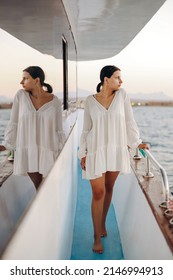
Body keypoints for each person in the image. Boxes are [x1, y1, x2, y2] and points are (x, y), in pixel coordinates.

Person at [78, 65, 149, 254]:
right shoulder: (90, 101)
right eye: (117, 77)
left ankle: (102, 224)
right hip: (95, 151)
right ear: (106, 79)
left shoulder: (122, 96)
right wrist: (82, 153)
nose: (121, 80)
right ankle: (96, 237)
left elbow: (129, 122)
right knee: (98, 192)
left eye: (120, 77)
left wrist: (137, 143)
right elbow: (86, 129)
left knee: (109, 189)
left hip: (116, 150)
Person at [0, 66, 65, 190]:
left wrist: (60, 154)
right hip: (28, 152)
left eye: (25, 78)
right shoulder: (20, 96)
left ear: (36, 80)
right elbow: (13, 123)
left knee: (48, 187)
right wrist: (7, 144)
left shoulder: (55, 101)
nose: (21, 82)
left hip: (48, 151)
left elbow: (59, 130)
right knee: (39, 187)